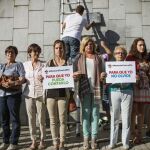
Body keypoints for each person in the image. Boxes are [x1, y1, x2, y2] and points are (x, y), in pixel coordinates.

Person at [73, 36, 105, 150]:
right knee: (85, 115)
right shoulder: (78, 58)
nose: (89, 46)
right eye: (87, 44)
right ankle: (86, 139)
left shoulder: (99, 58)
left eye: (91, 44)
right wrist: (75, 75)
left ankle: (94, 139)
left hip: (96, 89)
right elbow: (73, 74)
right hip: (84, 89)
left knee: (95, 114)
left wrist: (103, 76)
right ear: (83, 46)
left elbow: (103, 73)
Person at [107, 46, 133, 150]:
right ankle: (112, 142)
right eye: (118, 53)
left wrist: (136, 77)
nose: (120, 54)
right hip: (114, 91)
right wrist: (103, 76)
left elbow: (133, 77)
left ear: (125, 54)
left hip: (127, 91)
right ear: (114, 55)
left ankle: (125, 142)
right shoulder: (110, 66)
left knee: (126, 118)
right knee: (114, 117)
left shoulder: (129, 65)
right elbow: (105, 79)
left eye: (122, 53)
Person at [0, 46, 25, 150]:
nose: (10, 55)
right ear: (6, 55)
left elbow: (23, 78)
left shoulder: (18, 65)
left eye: (12, 53)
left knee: (14, 119)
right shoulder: (2, 66)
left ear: (15, 54)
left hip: (14, 95)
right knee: (4, 120)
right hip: (2, 95)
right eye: (8, 53)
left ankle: (14, 143)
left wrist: (13, 82)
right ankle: (5, 141)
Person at [126, 38, 150, 144]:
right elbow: (126, 71)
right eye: (140, 45)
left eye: (143, 45)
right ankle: (133, 134)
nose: (142, 47)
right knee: (133, 112)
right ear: (135, 46)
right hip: (134, 86)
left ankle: (140, 134)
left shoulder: (147, 58)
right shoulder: (130, 57)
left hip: (145, 87)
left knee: (141, 112)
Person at [46, 40, 68, 150]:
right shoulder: (49, 63)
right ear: (54, 49)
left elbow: (71, 80)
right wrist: (42, 78)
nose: (59, 50)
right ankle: (55, 142)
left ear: (64, 49)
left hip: (63, 94)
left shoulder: (68, 63)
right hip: (50, 95)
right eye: (57, 48)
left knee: (63, 120)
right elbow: (44, 77)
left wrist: (73, 77)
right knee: (52, 120)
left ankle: (62, 142)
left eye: (61, 48)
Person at [23, 44, 46, 150]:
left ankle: (42, 140)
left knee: (41, 118)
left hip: (40, 94)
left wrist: (44, 79)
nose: (36, 53)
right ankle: (33, 140)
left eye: (37, 51)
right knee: (31, 118)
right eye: (33, 51)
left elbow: (49, 79)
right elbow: (21, 77)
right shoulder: (24, 65)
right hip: (28, 94)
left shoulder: (44, 65)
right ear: (29, 53)